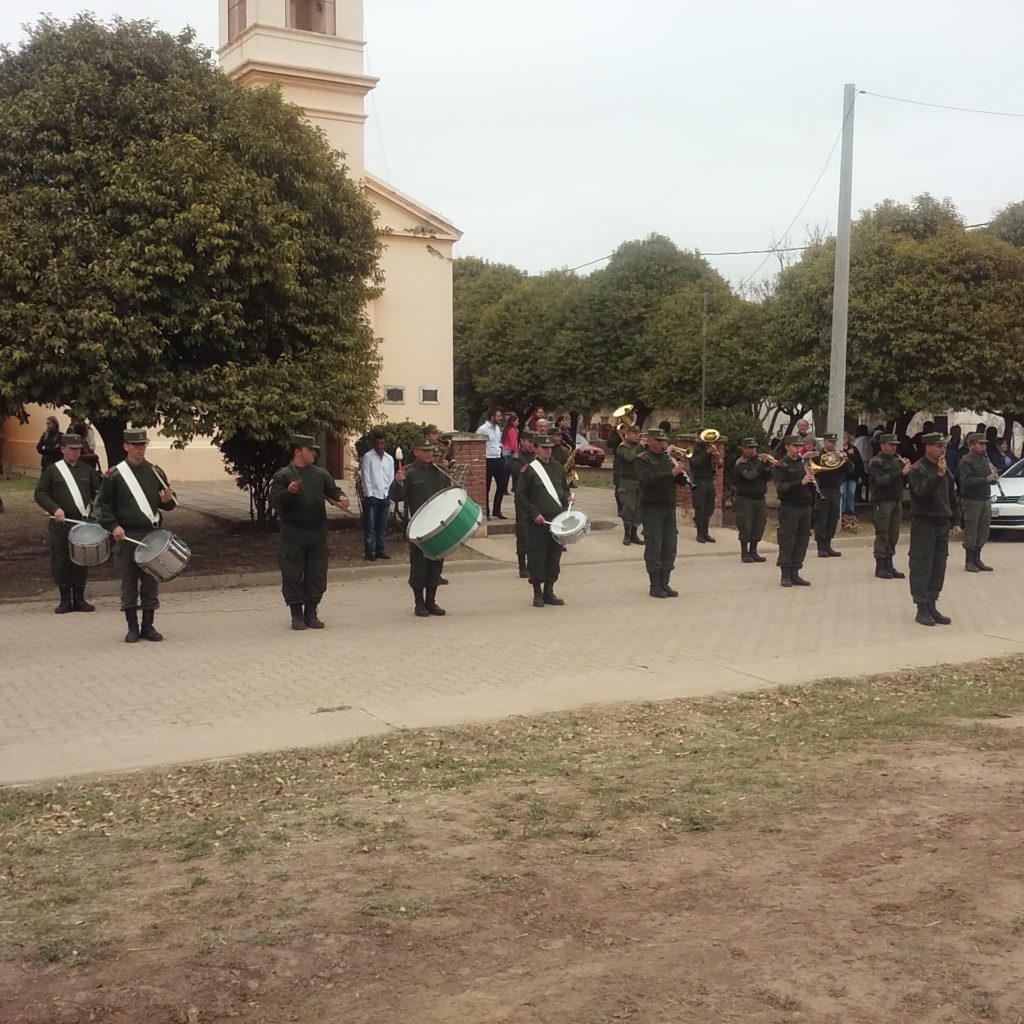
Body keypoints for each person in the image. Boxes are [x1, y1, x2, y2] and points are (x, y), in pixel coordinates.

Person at [95, 429, 177, 643]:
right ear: (126, 446)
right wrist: (113, 526)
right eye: (136, 445)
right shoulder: (115, 474)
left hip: (151, 534)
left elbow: (167, 504)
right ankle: (132, 628)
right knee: (129, 582)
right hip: (127, 535)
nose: (141, 449)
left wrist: (168, 499)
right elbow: (102, 506)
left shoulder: (155, 472)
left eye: (143, 445)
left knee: (150, 581)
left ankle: (148, 626)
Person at [270, 434, 350, 631]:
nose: (314, 453)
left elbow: (333, 491)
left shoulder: (320, 474)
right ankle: (296, 615)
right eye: (310, 450)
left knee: (316, 574)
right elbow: (275, 502)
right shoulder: (284, 475)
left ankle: (311, 612)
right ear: (298, 451)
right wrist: (289, 492)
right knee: (292, 574)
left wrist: (342, 497)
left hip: (317, 533)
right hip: (293, 533)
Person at [33, 432, 103, 613]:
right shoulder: (52, 470)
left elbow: (99, 492)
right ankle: (65, 599)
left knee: (81, 559)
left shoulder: (87, 470)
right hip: (60, 524)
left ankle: (79, 598)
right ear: (63, 449)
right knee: (61, 560)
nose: (76, 453)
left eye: (78, 449)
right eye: (72, 449)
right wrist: (54, 508)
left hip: (82, 521)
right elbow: (40, 493)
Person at [390, 441, 450, 616]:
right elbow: (396, 497)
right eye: (425, 451)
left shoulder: (440, 472)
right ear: (415, 452)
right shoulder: (409, 472)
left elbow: (449, 494)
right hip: (418, 525)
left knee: (436, 563)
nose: (429, 454)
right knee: (419, 565)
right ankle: (419, 603)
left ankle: (431, 601)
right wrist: (398, 483)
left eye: (430, 451)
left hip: (438, 524)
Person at [908, 432, 961, 626]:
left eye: (943, 447)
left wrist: (956, 520)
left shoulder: (945, 470)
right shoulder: (918, 468)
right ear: (927, 447)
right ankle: (921, 607)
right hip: (924, 523)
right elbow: (921, 492)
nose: (941, 450)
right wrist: (937, 475)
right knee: (922, 564)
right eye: (938, 446)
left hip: (941, 524)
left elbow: (952, 497)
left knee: (939, 565)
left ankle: (932, 603)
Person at [515, 434, 571, 607]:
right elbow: (521, 497)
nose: (547, 451)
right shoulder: (529, 470)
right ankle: (537, 592)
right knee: (537, 555)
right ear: (536, 449)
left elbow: (564, 489)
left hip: (556, 520)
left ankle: (549, 591)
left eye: (549, 448)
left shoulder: (558, 468)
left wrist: (568, 498)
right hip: (538, 521)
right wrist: (534, 514)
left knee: (554, 556)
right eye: (544, 448)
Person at [635, 428, 689, 598]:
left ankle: (665, 582)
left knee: (669, 546)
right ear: (650, 441)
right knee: (654, 546)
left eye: (664, 441)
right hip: (652, 508)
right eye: (659, 441)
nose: (662, 444)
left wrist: (681, 471)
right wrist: (670, 473)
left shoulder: (668, 459)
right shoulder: (643, 459)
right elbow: (647, 480)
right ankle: (655, 584)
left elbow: (679, 482)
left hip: (668, 508)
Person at [772, 435, 814, 588]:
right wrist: (800, 483)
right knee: (788, 540)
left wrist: (813, 479)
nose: (798, 449)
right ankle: (785, 574)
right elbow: (781, 487)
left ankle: (795, 572)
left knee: (802, 540)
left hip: (805, 506)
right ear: (787, 447)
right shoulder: (781, 465)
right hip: (790, 507)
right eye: (795, 446)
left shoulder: (804, 463)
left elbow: (809, 486)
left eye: (799, 446)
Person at [868, 433, 910, 580]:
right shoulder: (876, 461)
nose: (894, 448)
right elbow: (881, 480)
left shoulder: (896, 461)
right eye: (891, 445)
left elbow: (902, 480)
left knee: (893, 534)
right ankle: (880, 565)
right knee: (883, 533)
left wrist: (906, 469)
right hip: (883, 501)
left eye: (895, 445)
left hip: (896, 500)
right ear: (882, 445)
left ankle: (889, 563)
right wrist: (900, 473)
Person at [958, 432, 998, 573]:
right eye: (981, 444)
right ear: (971, 445)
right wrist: (986, 479)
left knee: (983, 531)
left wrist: (993, 479)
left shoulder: (984, 460)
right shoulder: (967, 461)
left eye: (985, 444)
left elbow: (987, 479)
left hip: (984, 499)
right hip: (972, 500)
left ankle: (977, 558)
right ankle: (969, 561)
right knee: (971, 531)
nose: (984, 447)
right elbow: (966, 481)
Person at [732, 439, 771, 563]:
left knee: (758, 525)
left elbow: (768, 477)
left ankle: (753, 551)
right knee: (745, 525)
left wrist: (768, 466)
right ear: (744, 449)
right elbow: (750, 475)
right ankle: (744, 553)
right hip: (745, 499)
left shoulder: (759, 461)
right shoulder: (741, 462)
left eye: (754, 447)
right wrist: (762, 465)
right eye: (750, 448)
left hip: (760, 498)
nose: (753, 450)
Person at [359, 431, 394, 562]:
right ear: (374, 443)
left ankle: (380, 550)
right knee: (370, 525)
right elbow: (365, 477)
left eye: (382, 443)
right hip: (372, 496)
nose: (380, 446)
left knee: (382, 525)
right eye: (378, 443)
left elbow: (391, 476)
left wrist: (386, 489)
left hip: (384, 495)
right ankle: (370, 551)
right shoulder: (368, 457)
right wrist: (369, 494)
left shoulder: (389, 459)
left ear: (385, 444)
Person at [811, 433, 845, 558]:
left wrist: (844, 459)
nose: (833, 444)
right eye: (831, 441)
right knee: (822, 517)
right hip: (823, 490)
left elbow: (850, 470)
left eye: (834, 441)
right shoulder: (818, 457)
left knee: (833, 517)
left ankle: (828, 545)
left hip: (836, 490)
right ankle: (821, 547)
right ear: (825, 442)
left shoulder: (838, 455)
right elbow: (814, 470)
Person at [614, 422, 645, 546]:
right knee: (629, 508)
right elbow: (630, 457)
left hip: (640, 481)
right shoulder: (623, 446)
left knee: (638, 509)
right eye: (634, 433)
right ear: (627, 434)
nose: (637, 436)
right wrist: (640, 447)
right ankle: (627, 535)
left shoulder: (640, 446)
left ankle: (634, 534)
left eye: (638, 433)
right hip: (627, 481)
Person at [512, 429, 537, 577]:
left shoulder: (536, 456)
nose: (532, 445)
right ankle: (522, 566)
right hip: (522, 499)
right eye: (529, 442)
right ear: (522, 441)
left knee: (536, 534)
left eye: (534, 443)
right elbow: (518, 473)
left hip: (536, 498)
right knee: (523, 533)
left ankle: (533, 564)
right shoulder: (517, 457)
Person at [476, 408, 507, 519]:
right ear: (492, 417)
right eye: (498, 416)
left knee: (502, 485)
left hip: (498, 458)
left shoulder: (498, 428)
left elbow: (497, 442)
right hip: (488, 459)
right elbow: (479, 444)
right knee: (487, 487)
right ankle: (487, 512)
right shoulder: (482, 429)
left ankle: (497, 510)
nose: (500, 418)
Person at [688, 433, 717, 543]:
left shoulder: (708, 448)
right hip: (698, 481)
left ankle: (706, 532)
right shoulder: (692, 449)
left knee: (709, 508)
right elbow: (695, 463)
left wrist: (717, 459)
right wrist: (707, 453)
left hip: (709, 480)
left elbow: (715, 466)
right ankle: (699, 534)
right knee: (700, 508)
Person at [840, 432, 863, 532]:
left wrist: (860, 475)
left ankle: (850, 512)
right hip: (842, 477)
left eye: (845, 437)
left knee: (851, 494)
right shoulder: (839, 450)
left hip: (852, 476)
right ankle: (843, 512)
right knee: (843, 494)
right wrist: (847, 454)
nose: (844, 439)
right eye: (842, 438)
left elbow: (859, 462)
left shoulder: (854, 449)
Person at [501, 414, 520, 494]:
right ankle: (506, 489)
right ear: (512, 422)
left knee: (506, 472)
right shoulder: (512, 430)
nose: (518, 423)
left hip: (504, 450)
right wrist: (516, 451)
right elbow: (513, 443)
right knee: (511, 471)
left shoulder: (507, 429)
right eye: (517, 421)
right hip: (509, 451)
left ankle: (504, 489)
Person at [853, 425, 873, 501]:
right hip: (863, 463)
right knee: (862, 481)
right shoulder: (864, 439)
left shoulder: (857, 440)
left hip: (859, 462)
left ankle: (857, 496)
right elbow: (866, 453)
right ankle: (858, 496)